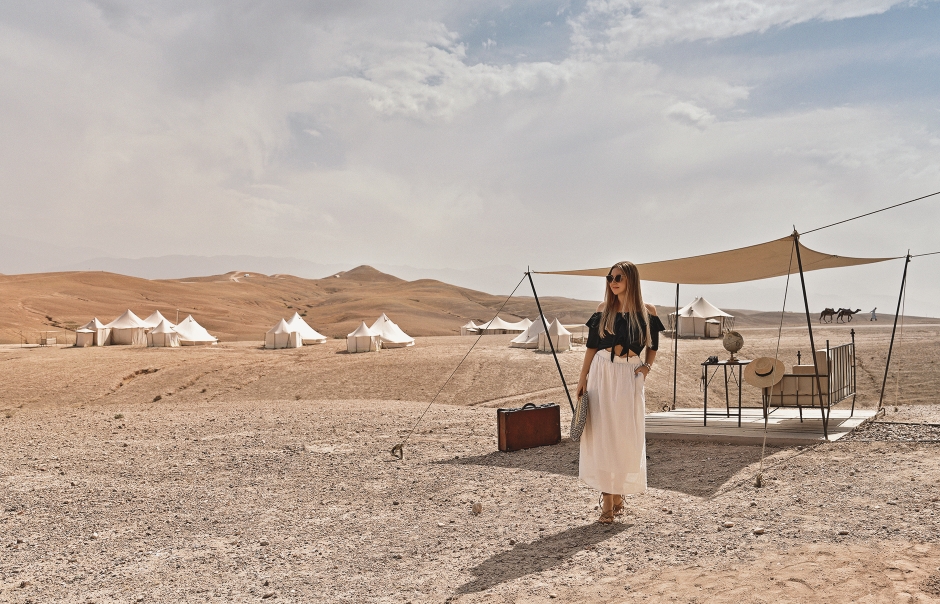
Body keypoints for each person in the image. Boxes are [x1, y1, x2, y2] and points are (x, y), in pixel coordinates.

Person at [576, 261, 666, 524]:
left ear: (631, 280)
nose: (612, 281)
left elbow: (654, 345)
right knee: (604, 433)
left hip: (629, 375)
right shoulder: (604, 309)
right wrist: (583, 378)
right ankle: (608, 502)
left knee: (626, 434)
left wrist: (646, 369)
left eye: (618, 277)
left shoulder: (647, 311)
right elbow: (592, 347)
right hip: (602, 373)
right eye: (610, 277)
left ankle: (618, 493)